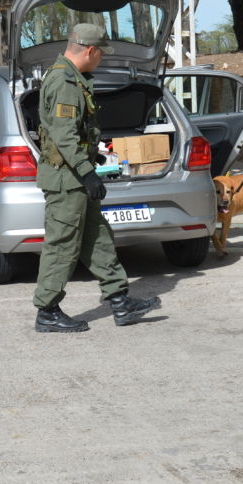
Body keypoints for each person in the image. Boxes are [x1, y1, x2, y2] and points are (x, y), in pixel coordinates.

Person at [32, 23, 161, 333]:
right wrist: (88, 172)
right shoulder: (64, 82)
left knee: (99, 239)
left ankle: (119, 301)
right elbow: (63, 136)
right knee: (63, 245)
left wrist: (92, 155)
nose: (102, 59)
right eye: (101, 53)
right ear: (90, 50)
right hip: (67, 181)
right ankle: (47, 311)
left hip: (74, 175)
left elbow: (72, 133)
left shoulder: (73, 78)